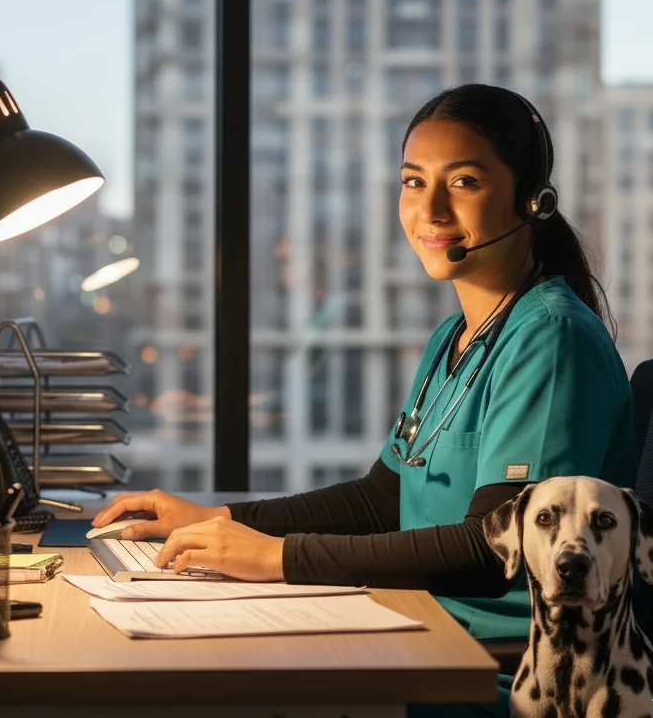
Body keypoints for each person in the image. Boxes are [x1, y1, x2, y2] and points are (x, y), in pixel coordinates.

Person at [92, 84, 635, 718]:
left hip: (506, 672)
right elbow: (382, 498)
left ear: (531, 200)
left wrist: (278, 558)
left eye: (463, 182)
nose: (430, 209)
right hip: (428, 632)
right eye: (413, 182)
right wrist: (225, 520)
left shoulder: (551, 339)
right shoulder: (456, 337)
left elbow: (495, 550)